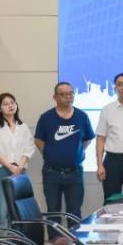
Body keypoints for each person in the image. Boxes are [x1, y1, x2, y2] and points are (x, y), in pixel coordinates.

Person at [35, 82, 94, 233]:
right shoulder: (46, 118)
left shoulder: (82, 116)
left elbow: (87, 139)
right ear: (55, 97)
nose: (68, 97)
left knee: (74, 213)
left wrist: (75, 154)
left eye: (71, 93)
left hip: (74, 173)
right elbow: (39, 141)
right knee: (53, 212)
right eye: (64, 94)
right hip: (51, 172)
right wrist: (51, 155)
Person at [0, 93, 36, 228]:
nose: (10, 106)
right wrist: (10, 166)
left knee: (20, 211)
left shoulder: (23, 127)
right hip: (0, 170)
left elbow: (29, 148)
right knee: (1, 211)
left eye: (12, 102)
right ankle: (1, 241)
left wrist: (19, 166)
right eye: (6, 104)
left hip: (20, 171)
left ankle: (17, 241)